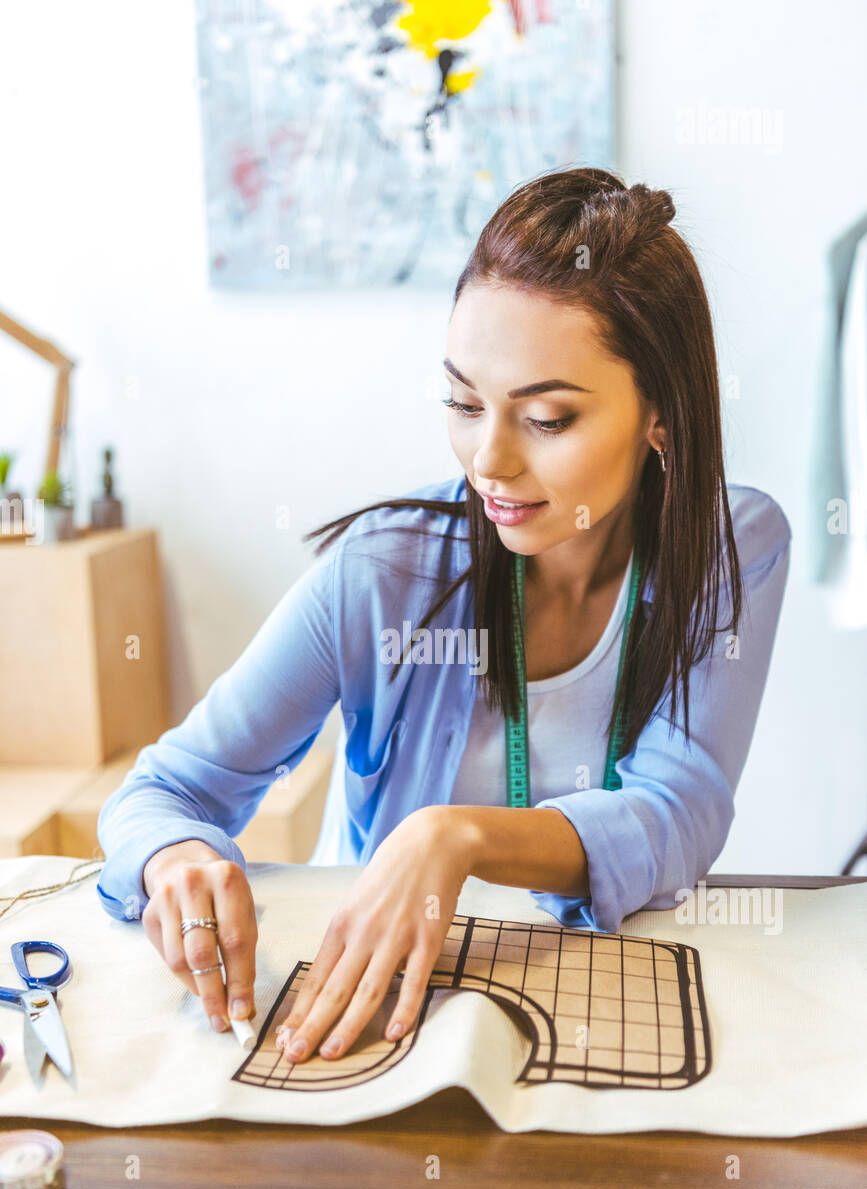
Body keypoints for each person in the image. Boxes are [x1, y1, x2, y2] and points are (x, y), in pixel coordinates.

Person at [97, 167, 791, 1068]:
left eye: (545, 418)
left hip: (602, 999)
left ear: (658, 412)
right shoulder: (382, 574)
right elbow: (161, 794)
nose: (488, 461)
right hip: (379, 1005)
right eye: (464, 405)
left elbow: (680, 812)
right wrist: (174, 860)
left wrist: (454, 835)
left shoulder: (732, 545)